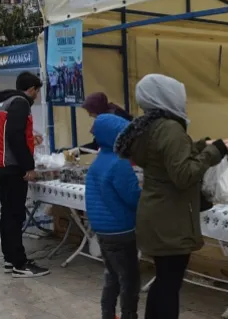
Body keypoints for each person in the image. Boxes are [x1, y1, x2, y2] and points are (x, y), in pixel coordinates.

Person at [114, 74, 228, 319]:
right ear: (166, 96)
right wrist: (215, 151)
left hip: (156, 214)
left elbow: (166, 159)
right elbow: (184, 174)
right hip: (170, 220)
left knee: (163, 282)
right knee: (169, 285)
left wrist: (198, 145)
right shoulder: (170, 128)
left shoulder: (149, 126)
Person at [0, 72, 50, 278]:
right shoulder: (20, 102)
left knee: (8, 213)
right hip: (12, 166)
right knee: (15, 214)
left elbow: (7, 134)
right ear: (33, 89)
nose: (36, 97)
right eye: (37, 92)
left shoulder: (2, 103)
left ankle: (11, 259)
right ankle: (19, 264)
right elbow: (15, 136)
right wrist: (29, 167)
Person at [85, 114, 141, 319]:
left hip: (103, 230)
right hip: (122, 230)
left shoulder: (99, 160)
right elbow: (133, 198)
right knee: (130, 280)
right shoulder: (119, 164)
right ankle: (129, 315)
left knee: (112, 276)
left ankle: (107, 314)